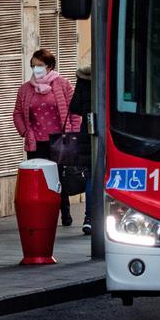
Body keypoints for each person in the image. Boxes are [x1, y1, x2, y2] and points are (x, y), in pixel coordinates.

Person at [12, 49, 81, 226]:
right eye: (33, 65)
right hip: (36, 141)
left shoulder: (63, 84)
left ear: (50, 66)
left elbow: (74, 111)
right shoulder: (25, 89)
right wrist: (25, 132)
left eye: (40, 65)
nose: (36, 69)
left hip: (59, 140)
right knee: (38, 180)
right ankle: (41, 214)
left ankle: (65, 212)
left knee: (59, 178)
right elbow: (18, 113)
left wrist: (74, 132)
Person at [68, 65, 94, 235]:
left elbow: (75, 107)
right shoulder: (120, 69)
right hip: (115, 131)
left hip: (88, 132)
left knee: (92, 176)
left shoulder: (84, 77)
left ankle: (89, 218)